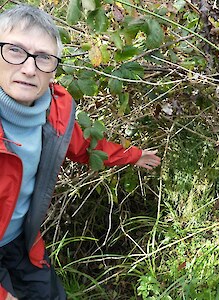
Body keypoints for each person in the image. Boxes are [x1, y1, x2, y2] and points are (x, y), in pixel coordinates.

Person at [0, 4, 160, 300]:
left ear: (54, 70)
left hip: (20, 243)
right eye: (14, 51)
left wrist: (134, 155)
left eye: (44, 57)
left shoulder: (54, 111)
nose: (29, 67)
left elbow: (85, 146)